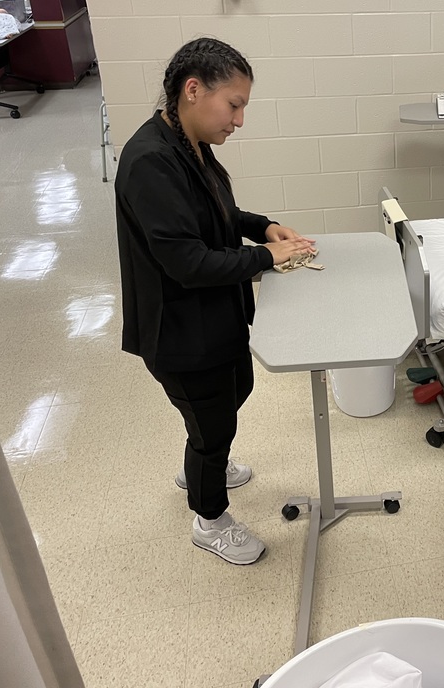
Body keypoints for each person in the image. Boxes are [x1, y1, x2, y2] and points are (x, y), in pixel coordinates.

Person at [114, 37, 314, 566]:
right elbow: (188, 261)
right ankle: (210, 516)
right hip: (178, 328)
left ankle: (203, 456)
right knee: (212, 420)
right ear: (193, 89)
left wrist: (263, 227)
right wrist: (269, 259)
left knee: (233, 392)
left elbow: (220, 215)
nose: (239, 120)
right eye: (235, 105)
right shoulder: (150, 162)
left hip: (212, 318)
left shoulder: (189, 144)